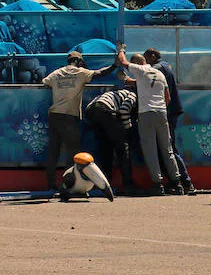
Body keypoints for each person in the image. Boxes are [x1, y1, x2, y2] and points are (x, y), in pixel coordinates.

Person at [115, 47, 183, 195]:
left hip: (146, 113)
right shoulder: (159, 73)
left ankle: (158, 184)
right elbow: (167, 97)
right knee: (167, 149)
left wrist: (120, 49)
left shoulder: (140, 70)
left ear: (137, 64)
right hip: (162, 113)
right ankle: (177, 183)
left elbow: (122, 61)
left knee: (150, 149)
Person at [41, 50, 113, 189]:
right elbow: (100, 73)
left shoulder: (56, 73)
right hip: (69, 116)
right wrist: (115, 65)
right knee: (73, 152)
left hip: (55, 115)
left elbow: (44, 82)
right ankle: (68, 185)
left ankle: (50, 184)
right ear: (79, 62)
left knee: (53, 151)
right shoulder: (81, 73)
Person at [143, 47, 195, 194]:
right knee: (167, 148)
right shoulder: (165, 66)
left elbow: (148, 76)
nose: (146, 63)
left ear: (153, 56)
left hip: (168, 112)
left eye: (146, 59)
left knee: (169, 148)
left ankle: (186, 182)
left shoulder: (158, 68)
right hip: (170, 111)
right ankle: (176, 182)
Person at [84, 82, 137, 194]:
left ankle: (105, 184)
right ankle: (128, 185)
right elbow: (124, 110)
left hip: (91, 110)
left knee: (105, 148)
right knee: (122, 148)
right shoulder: (132, 94)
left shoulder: (115, 93)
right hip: (105, 110)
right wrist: (128, 129)